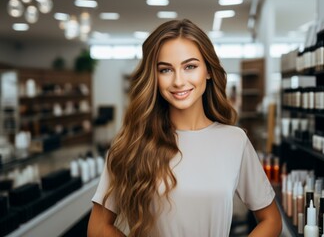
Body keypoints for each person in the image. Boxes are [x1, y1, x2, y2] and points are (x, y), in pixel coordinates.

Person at [87, 19, 282, 237]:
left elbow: (271, 219)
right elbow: (98, 228)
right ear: (154, 77)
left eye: (190, 66)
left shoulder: (235, 140)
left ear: (208, 70)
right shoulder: (133, 143)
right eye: (165, 70)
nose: (179, 81)